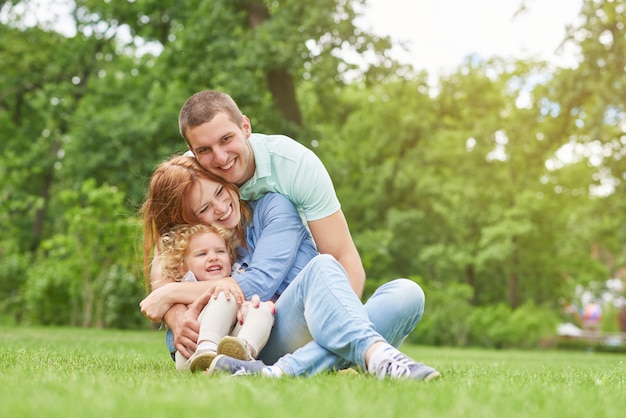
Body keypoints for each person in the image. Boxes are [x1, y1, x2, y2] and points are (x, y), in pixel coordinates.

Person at [139, 155, 440, 380]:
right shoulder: (202, 253)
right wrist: (174, 313)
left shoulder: (273, 207)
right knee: (323, 266)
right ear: (188, 221)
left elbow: (260, 282)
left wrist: (171, 293)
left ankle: (277, 373)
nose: (220, 208)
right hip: (262, 337)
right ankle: (377, 356)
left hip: (315, 320)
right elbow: (184, 327)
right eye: (204, 209)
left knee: (407, 293)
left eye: (219, 191)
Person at [156, 223, 275, 372]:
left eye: (220, 251)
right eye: (202, 254)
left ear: (230, 257)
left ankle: (244, 359)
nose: (213, 257)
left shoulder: (238, 277)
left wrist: (253, 307)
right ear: (182, 268)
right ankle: (206, 350)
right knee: (225, 291)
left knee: (261, 308)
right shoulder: (186, 287)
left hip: (226, 347)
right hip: (191, 352)